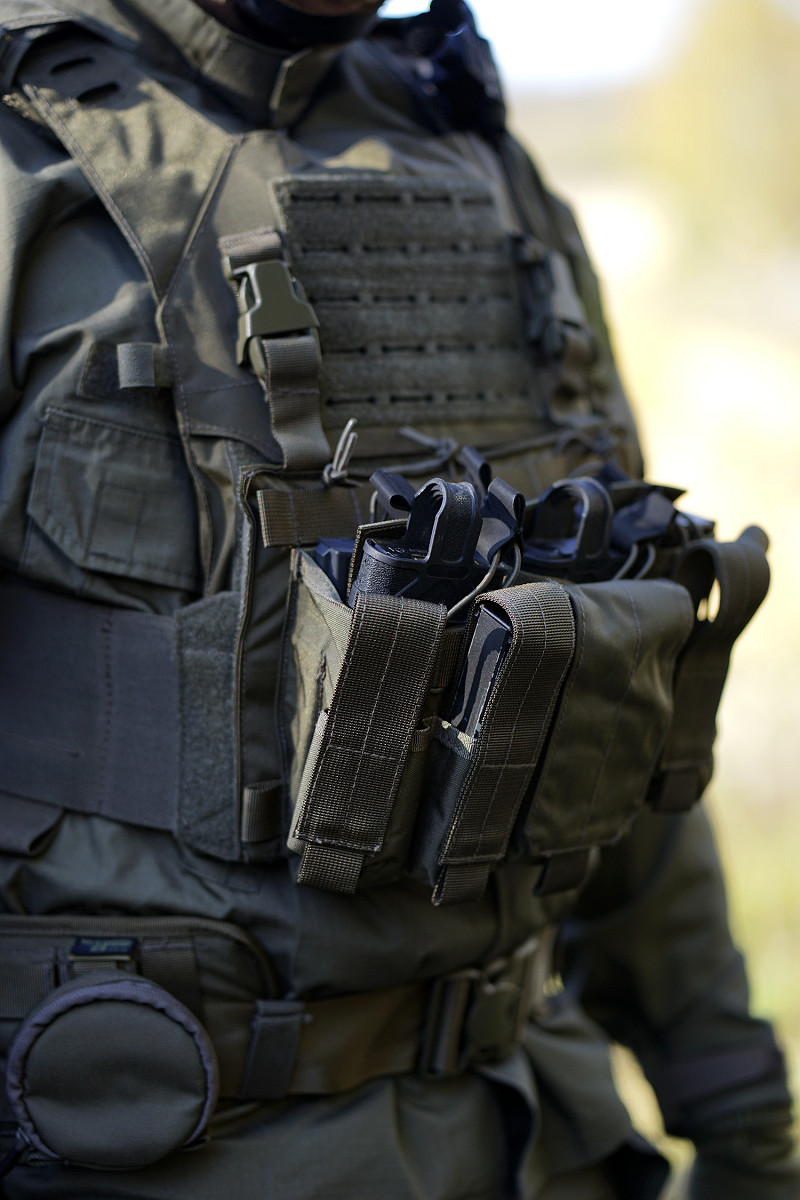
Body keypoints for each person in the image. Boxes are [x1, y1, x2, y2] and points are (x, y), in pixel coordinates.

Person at [0, 0, 796, 1197]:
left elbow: (617, 690)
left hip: (533, 1134)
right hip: (147, 1146)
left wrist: (738, 1118)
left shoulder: (481, 161)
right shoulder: (23, 160)